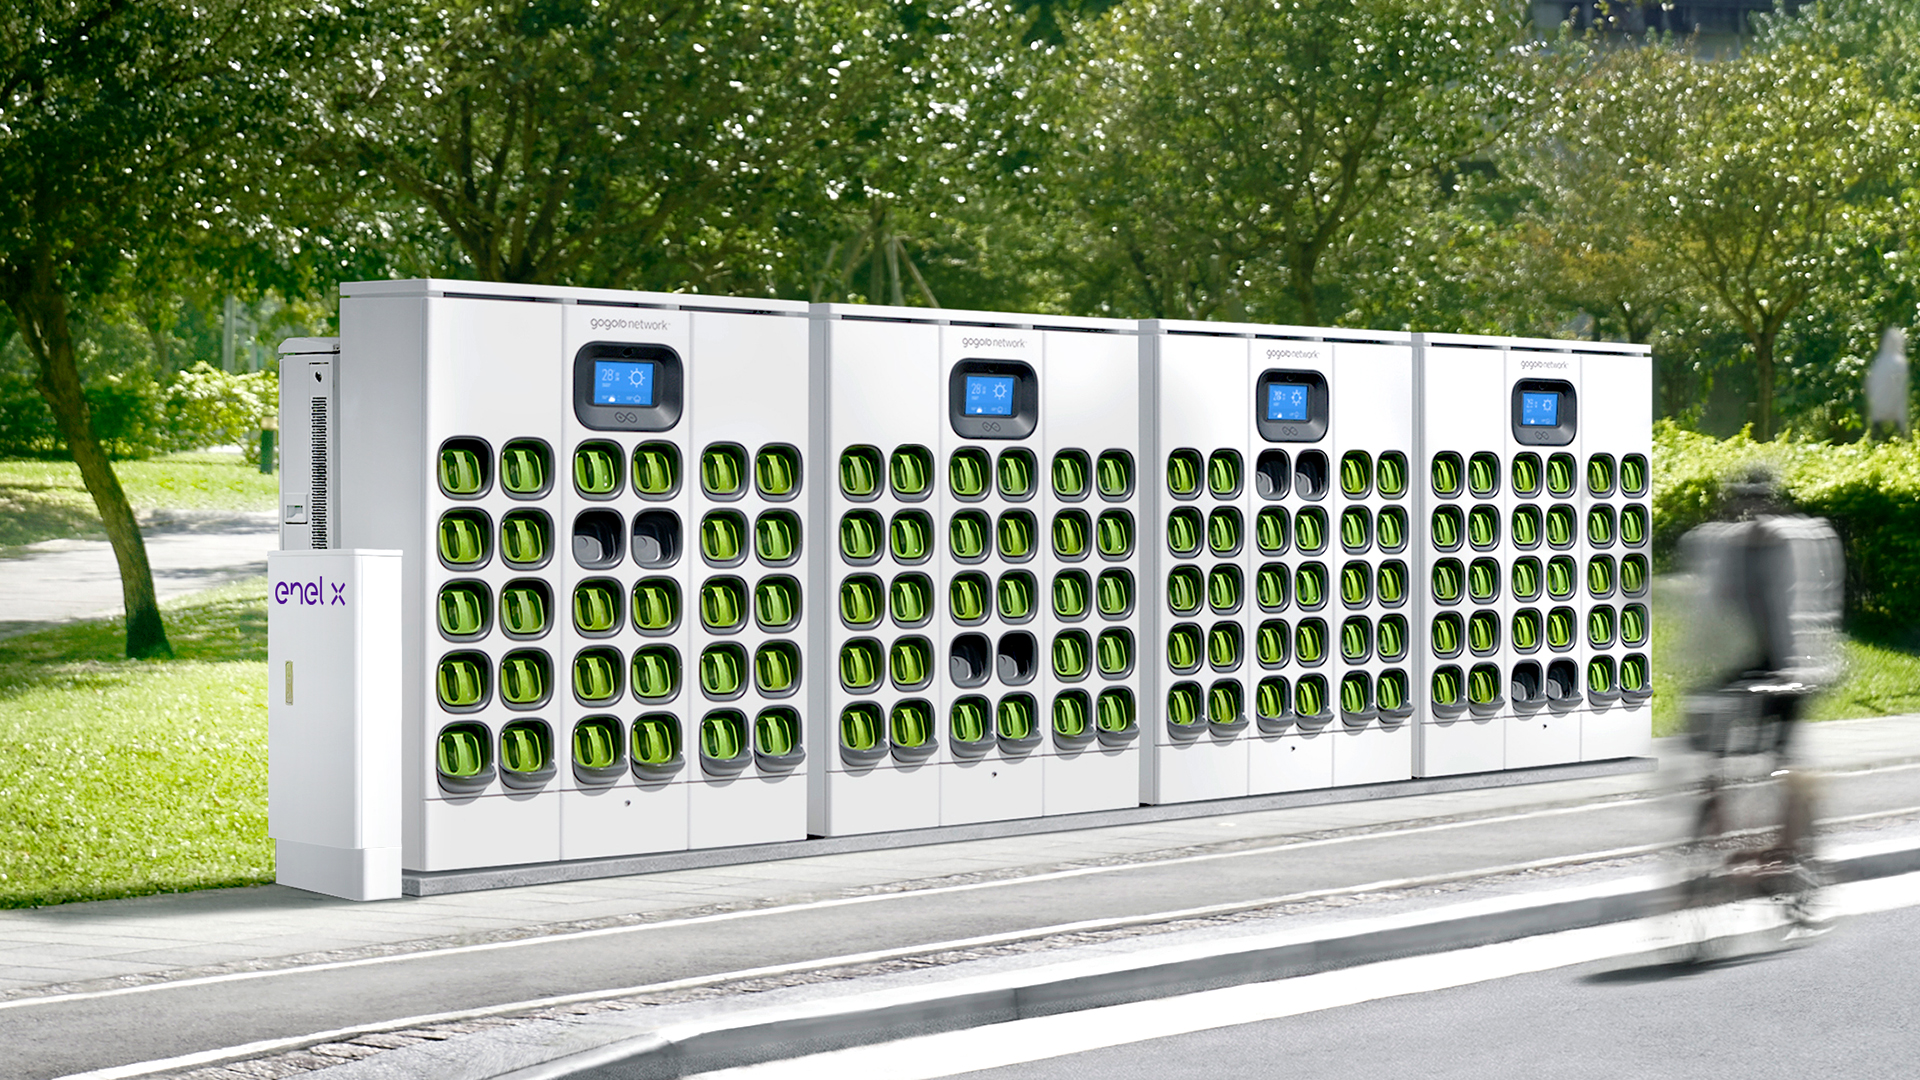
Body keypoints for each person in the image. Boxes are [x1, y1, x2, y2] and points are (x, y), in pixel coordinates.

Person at [1677, 465, 1843, 930]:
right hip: (1750, 659)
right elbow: (1710, 613)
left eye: (1758, 501)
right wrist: (1697, 673)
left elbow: (1800, 612)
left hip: (1796, 662)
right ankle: (1716, 843)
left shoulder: (1794, 544)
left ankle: (1795, 854)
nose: (1748, 511)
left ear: (1773, 504)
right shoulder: (1727, 546)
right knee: (1716, 758)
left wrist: (1794, 676)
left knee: (1780, 759)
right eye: (1740, 502)